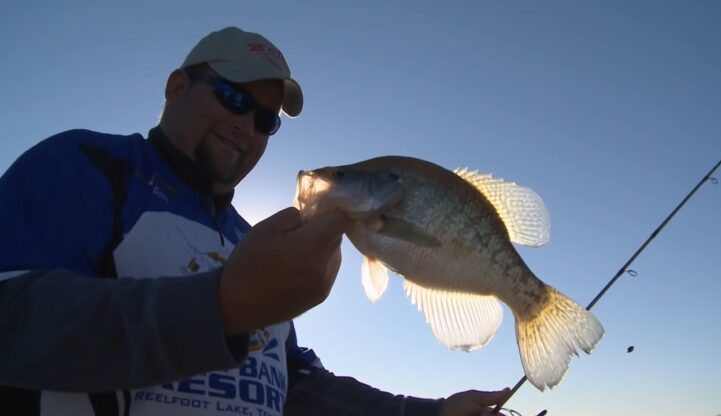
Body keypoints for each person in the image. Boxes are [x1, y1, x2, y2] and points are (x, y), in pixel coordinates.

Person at [0, 26, 511, 415]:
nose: (246, 125)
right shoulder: (87, 167)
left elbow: (295, 384)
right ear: (177, 87)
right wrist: (221, 307)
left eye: (266, 119)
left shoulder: (250, 240)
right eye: (233, 97)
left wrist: (427, 412)